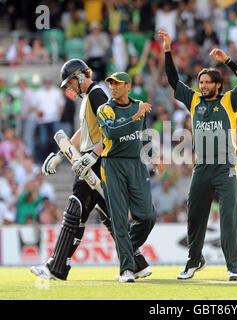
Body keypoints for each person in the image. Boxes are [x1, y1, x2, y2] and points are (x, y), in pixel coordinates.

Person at [30, 59, 151, 281]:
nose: (70, 88)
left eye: (71, 83)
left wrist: (93, 155)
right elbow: (84, 132)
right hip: (91, 160)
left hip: (96, 162)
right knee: (110, 215)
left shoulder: (96, 94)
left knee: (75, 210)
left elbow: (108, 131)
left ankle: (56, 267)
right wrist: (60, 155)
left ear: (81, 76)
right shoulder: (89, 98)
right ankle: (137, 263)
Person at [158, 29, 237, 281]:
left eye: (208, 83)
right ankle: (194, 261)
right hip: (201, 167)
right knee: (194, 216)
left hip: (225, 166)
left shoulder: (229, 101)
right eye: (201, 82)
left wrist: (228, 61)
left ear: (218, 85)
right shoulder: (194, 100)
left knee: (228, 217)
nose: (203, 86)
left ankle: (233, 266)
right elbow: (172, 80)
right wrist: (168, 50)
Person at [97, 71, 157, 283]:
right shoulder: (105, 109)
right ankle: (127, 270)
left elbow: (142, 133)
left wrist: (152, 155)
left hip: (136, 164)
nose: (113, 88)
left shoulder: (138, 106)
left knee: (148, 216)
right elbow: (112, 133)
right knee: (120, 218)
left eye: (117, 84)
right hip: (113, 164)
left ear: (128, 86)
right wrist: (135, 116)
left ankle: (126, 251)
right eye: (111, 84)